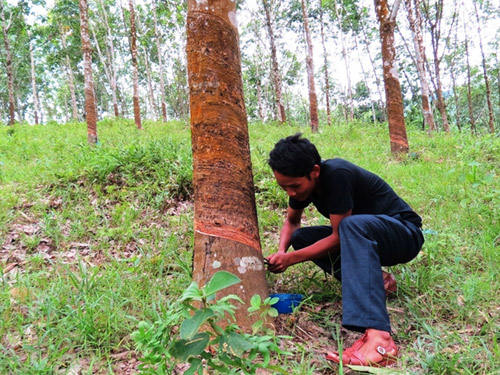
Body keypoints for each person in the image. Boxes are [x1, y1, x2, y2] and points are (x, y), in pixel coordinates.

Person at [265, 134, 424, 367]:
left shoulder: (338, 174)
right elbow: (292, 222)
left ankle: (381, 340)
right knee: (302, 238)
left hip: (404, 235)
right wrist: (281, 251)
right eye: (284, 187)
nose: (290, 193)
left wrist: (291, 259)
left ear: (315, 172)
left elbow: (339, 237)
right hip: (365, 238)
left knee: (350, 226)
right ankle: (378, 282)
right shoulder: (301, 189)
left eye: (295, 186)